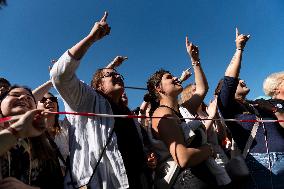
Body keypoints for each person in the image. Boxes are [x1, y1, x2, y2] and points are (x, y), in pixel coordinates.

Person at [50, 12, 150, 189]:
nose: (117, 75)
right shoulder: (86, 101)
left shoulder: (127, 112)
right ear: (98, 85)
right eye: (111, 74)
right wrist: (91, 38)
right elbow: (60, 75)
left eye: (118, 74)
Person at [147, 37, 218, 189]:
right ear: (158, 88)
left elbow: (201, 89)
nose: (175, 77)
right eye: (168, 77)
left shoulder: (182, 109)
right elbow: (182, 158)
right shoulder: (161, 113)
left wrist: (195, 60)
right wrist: (208, 149)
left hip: (200, 178)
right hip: (185, 182)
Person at [216, 28, 284, 188]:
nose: (242, 80)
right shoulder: (228, 107)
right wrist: (239, 49)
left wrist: (274, 110)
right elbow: (230, 80)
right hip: (264, 165)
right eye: (238, 80)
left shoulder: (263, 104)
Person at [0, 86, 63, 189]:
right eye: (15, 94)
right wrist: (17, 130)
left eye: (29, 98)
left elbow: (56, 184)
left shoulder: (46, 146)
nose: (24, 97)